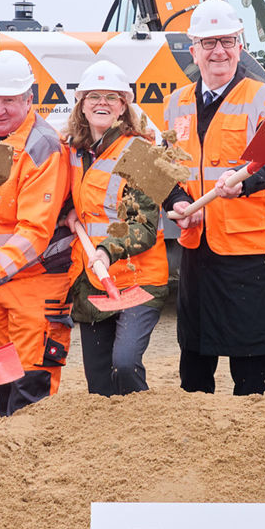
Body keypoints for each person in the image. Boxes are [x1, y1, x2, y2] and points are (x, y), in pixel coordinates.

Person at [162, 0, 265, 396]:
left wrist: (244, 183)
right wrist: (176, 202)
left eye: (228, 41)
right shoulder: (176, 103)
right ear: (194, 50)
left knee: (250, 370)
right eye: (209, 42)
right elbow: (166, 167)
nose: (219, 51)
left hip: (250, 251)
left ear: (240, 45)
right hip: (198, 248)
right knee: (195, 361)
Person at [0, 49, 76, 414]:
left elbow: (35, 231)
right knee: (4, 387)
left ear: (29, 99)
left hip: (35, 283)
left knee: (31, 393)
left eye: (9, 101)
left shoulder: (42, 146)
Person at [62, 60, 174, 396]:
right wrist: (68, 210)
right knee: (98, 382)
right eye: (93, 96)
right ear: (81, 104)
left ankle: (143, 425)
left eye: (111, 97)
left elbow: (143, 223)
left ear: (124, 106)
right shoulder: (72, 151)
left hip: (140, 279)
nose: (102, 103)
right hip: (94, 279)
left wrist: (106, 250)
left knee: (124, 363)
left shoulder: (144, 152)